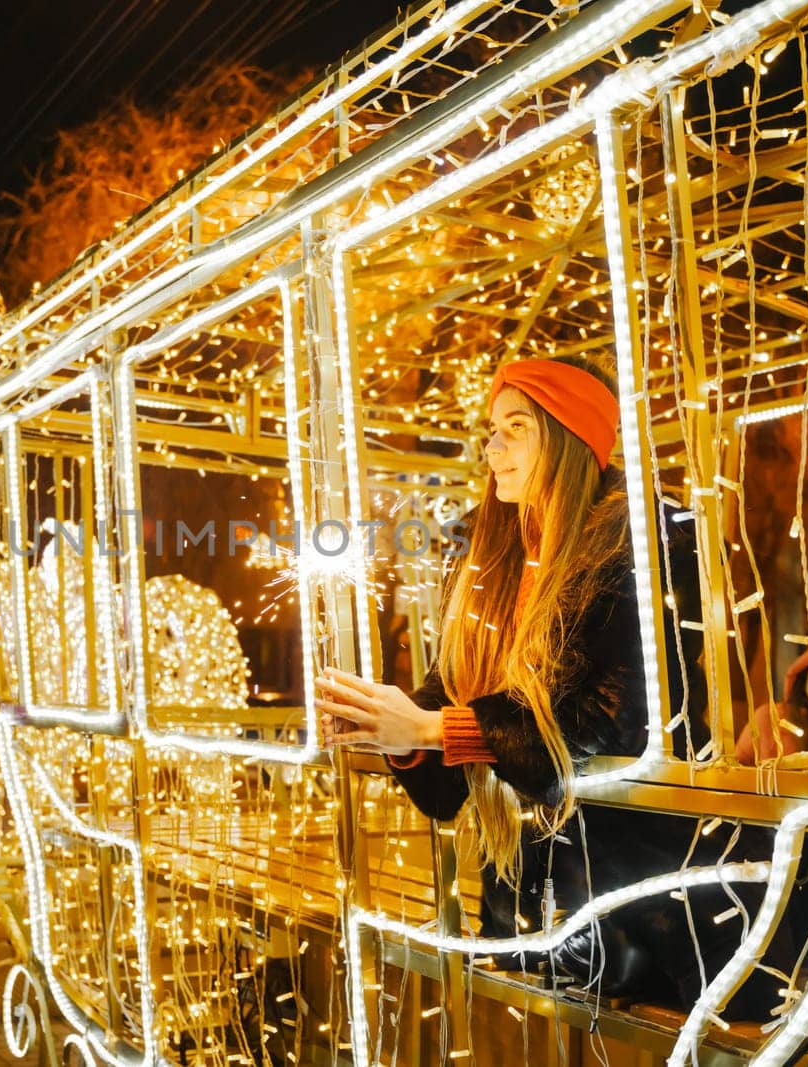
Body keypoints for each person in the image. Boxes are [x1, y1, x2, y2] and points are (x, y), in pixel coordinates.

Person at [316, 354, 767, 1005]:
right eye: (490, 430)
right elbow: (451, 700)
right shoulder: (491, 558)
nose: (491, 447)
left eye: (514, 426)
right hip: (524, 899)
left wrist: (434, 727)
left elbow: (607, 722)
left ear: (567, 434)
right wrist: (391, 726)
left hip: (641, 901)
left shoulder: (644, 541)